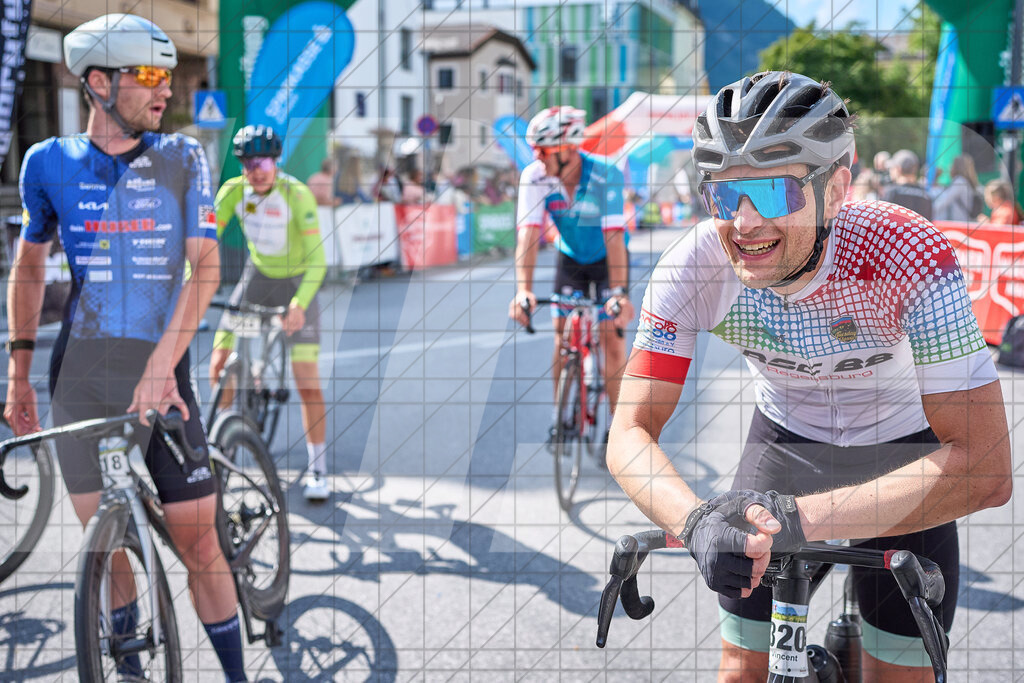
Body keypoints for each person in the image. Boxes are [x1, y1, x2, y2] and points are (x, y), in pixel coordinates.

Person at [607, 71, 1011, 681]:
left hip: (904, 452)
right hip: (786, 445)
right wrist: (695, 521)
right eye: (722, 194)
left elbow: (985, 467)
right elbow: (629, 432)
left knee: (896, 674)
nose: (743, 223)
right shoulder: (692, 265)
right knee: (742, 671)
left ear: (836, 188)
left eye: (772, 193)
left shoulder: (908, 254)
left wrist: (799, 521)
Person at [6, 14, 248, 680]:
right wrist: (17, 373)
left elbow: (205, 268)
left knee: (200, 540)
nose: (163, 90)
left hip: (162, 368)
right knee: (106, 550)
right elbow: (28, 268)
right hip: (80, 374)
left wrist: (161, 367)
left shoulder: (181, 157)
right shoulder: (47, 163)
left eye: (167, 77)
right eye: (147, 76)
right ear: (98, 83)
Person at [209, 125, 330, 502]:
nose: (256, 170)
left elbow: (318, 263)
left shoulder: (296, 194)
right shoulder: (233, 191)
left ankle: (318, 468)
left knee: (306, 379)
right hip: (258, 276)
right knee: (220, 365)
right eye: (247, 162)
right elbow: (203, 245)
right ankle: (218, 457)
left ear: (276, 161)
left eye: (263, 161)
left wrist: (299, 304)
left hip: (298, 283)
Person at [509, 106, 634, 450]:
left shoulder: (605, 174)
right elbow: (528, 236)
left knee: (611, 339)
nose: (536, 156)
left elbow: (613, 237)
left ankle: (617, 427)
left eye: (543, 149)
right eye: (534, 148)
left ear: (567, 148)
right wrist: (524, 291)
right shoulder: (535, 176)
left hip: (609, 260)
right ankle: (560, 418)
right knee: (563, 341)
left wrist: (620, 292)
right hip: (571, 259)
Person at [882, 149, 933, 220]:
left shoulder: (891, 193)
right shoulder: (926, 195)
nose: (890, 171)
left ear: (898, 169)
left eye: (892, 168)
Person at [934, 154, 982, 221]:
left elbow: (944, 201)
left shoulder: (960, 181)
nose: (950, 167)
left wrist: (928, 210)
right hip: (967, 221)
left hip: (960, 222)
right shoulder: (968, 182)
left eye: (952, 164)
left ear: (957, 166)